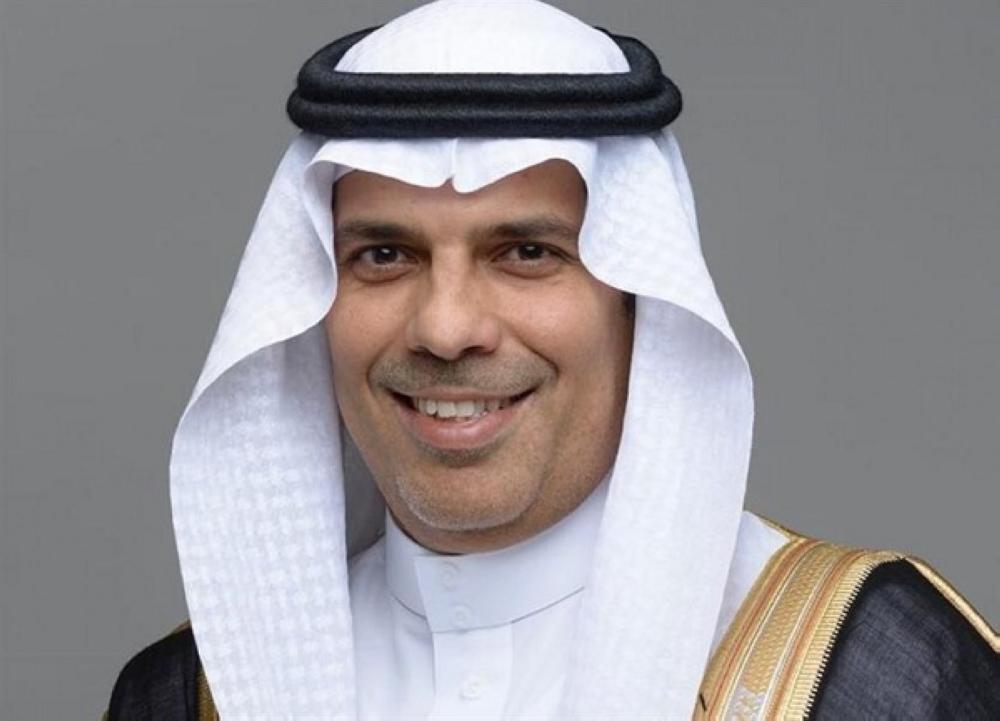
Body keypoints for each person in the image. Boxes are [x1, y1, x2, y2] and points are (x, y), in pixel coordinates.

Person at [105, 1, 998, 719]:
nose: (446, 328)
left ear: (639, 302)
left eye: (526, 253)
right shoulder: (187, 697)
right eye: (383, 255)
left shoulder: (874, 676)